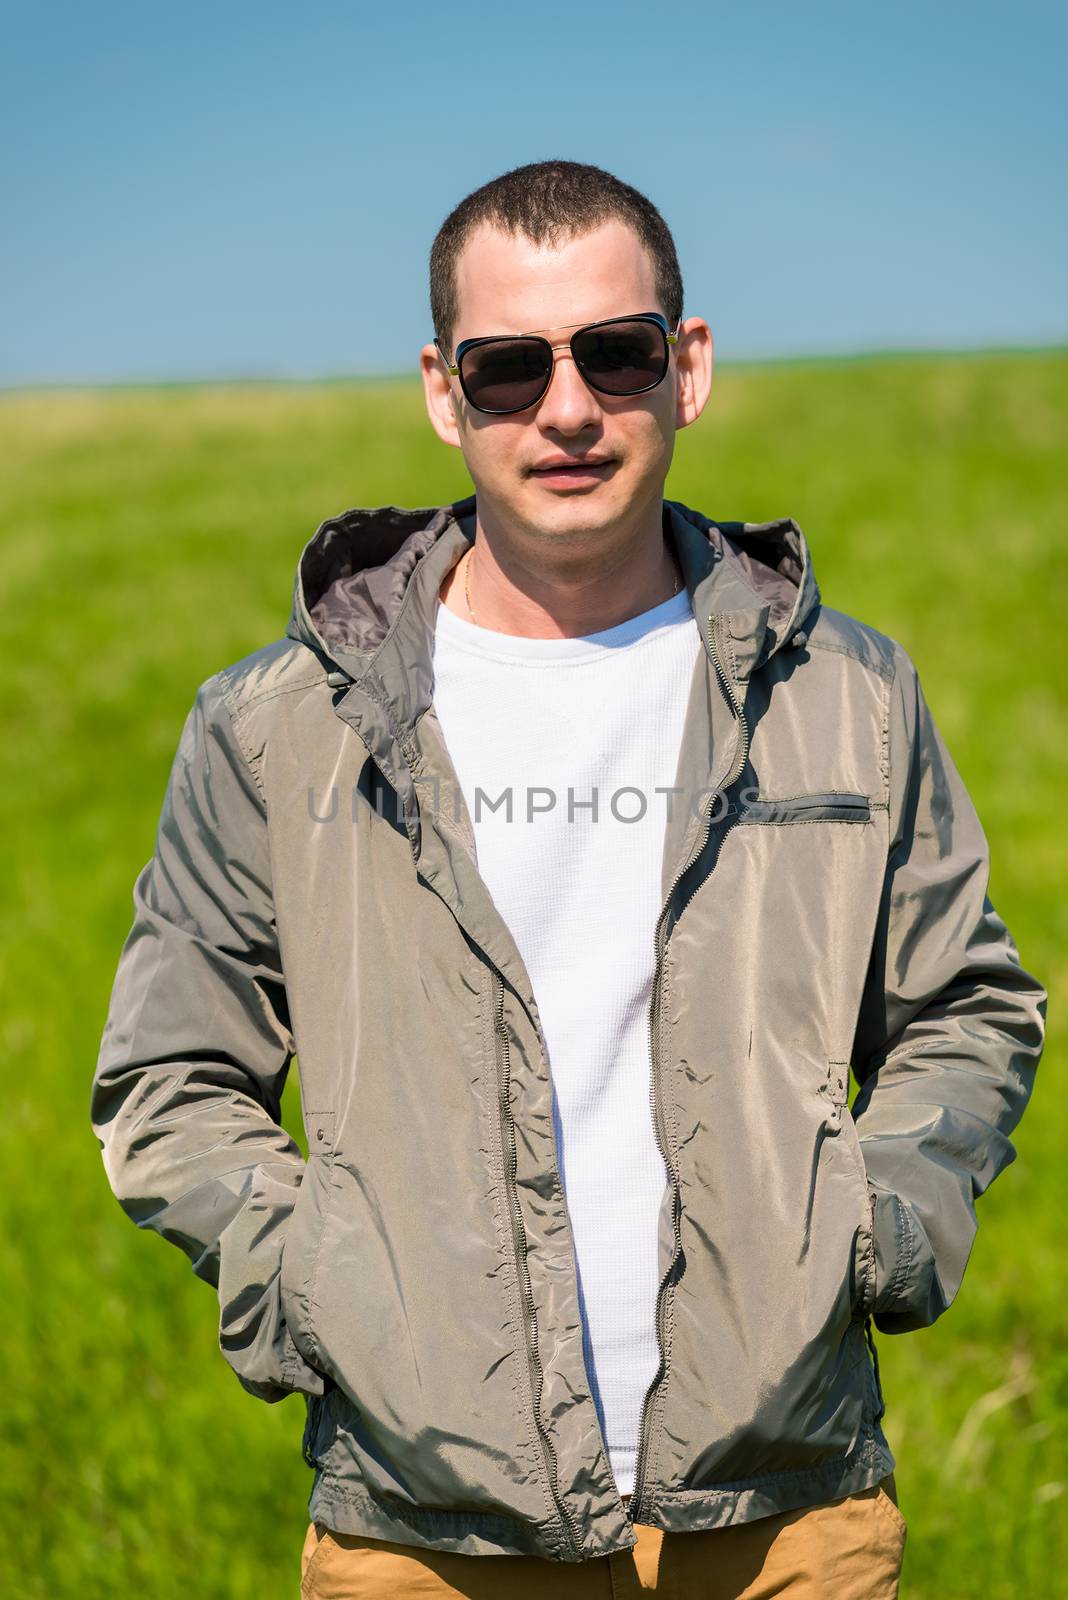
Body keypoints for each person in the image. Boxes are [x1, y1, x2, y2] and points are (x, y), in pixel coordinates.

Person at [91, 160, 1046, 1599]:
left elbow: (970, 1007)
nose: (567, 408)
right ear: (440, 389)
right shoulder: (276, 725)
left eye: (616, 352)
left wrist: (877, 1224)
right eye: (507, 366)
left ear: (689, 364)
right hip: (423, 1536)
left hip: (787, 1518)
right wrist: (316, 1287)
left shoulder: (846, 695)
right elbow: (168, 1077)